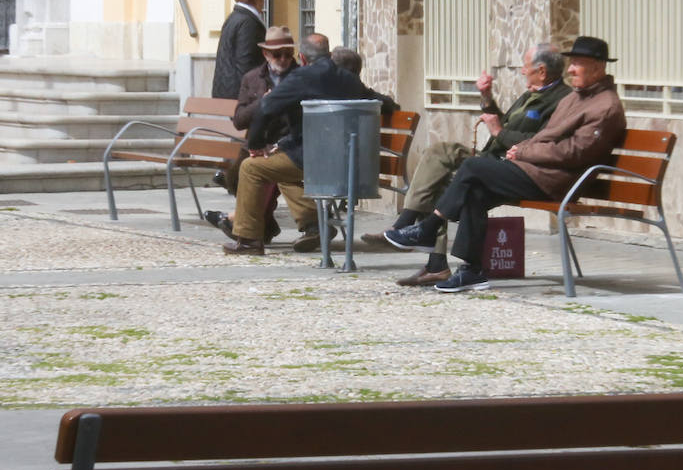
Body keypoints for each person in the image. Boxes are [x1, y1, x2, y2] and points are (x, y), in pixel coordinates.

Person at [383, 36, 626, 292]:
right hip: (538, 170)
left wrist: (523, 152)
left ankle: (428, 228)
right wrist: (522, 149)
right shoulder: (576, 98)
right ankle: (471, 270)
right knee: (475, 190)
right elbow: (545, 137)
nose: (571, 68)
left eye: (578, 63)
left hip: (557, 180)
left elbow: (575, 153)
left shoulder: (605, 107)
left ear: (598, 67)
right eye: (572, 62)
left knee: (472, 168)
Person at [364, 43, 570, 286]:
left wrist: (499, 131)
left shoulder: (561, 101)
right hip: (490, 157)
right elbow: (503, 123)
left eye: (525, 67)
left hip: (513, 165)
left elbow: (539, 143)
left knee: (447, 187)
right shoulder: (532, 94)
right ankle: (407, 225)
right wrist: (486, 96)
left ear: (542, 70)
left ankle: (431, 254)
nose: (523, 72)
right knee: (439, 152)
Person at [220, 33, 398, 255]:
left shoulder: (301, 77)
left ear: (302, 58)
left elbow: (265, 108)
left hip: (314, 163)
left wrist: (255, 145)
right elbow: (383, 102)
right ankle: (313, 224)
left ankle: (248, 240)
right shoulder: (348, 79)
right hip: (350, 166)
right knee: (279, 161)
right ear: (330, 55)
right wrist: (393, 106)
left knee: (251, 167)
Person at [205, 26, 299, 242]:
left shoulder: (300, 77)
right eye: (277, 54)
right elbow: (239, 120)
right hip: (255, 146)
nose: (284, 59)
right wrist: (262, 102)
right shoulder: (252, 78)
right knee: (236, 176)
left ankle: (243, 225)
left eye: (288, 54)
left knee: (259, 174)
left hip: (286, 145)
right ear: (266, 54)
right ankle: (264, 226)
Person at [211, 0, 267, 99]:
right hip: (237, 93)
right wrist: (253, 93)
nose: (264, 2)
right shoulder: (248, 22)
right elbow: (246, 62)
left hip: (225, 89)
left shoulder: (234, 18)